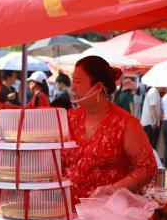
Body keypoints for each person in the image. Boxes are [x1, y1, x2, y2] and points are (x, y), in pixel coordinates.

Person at [63, 56, 156, 203]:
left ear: (98, 87)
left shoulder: (125, 123)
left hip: (109, 215)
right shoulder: (68, 119)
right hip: (68, 214)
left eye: (78, 82)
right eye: (73, 81)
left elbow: (147, 168)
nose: (73, 87)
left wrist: (113, 189)